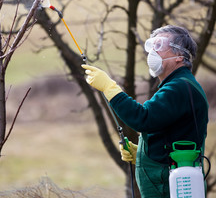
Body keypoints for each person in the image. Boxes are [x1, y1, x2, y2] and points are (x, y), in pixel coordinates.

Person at [81, 25, 208, 198]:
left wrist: (110, 88)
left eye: (159, 46)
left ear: (180, 57)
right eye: (151, 46)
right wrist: (141, 153)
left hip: (173, 186)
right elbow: (168, 131)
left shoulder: (180, 87)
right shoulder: (180, 85)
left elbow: (143, 118)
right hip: (172, 183)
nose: (152, 53)